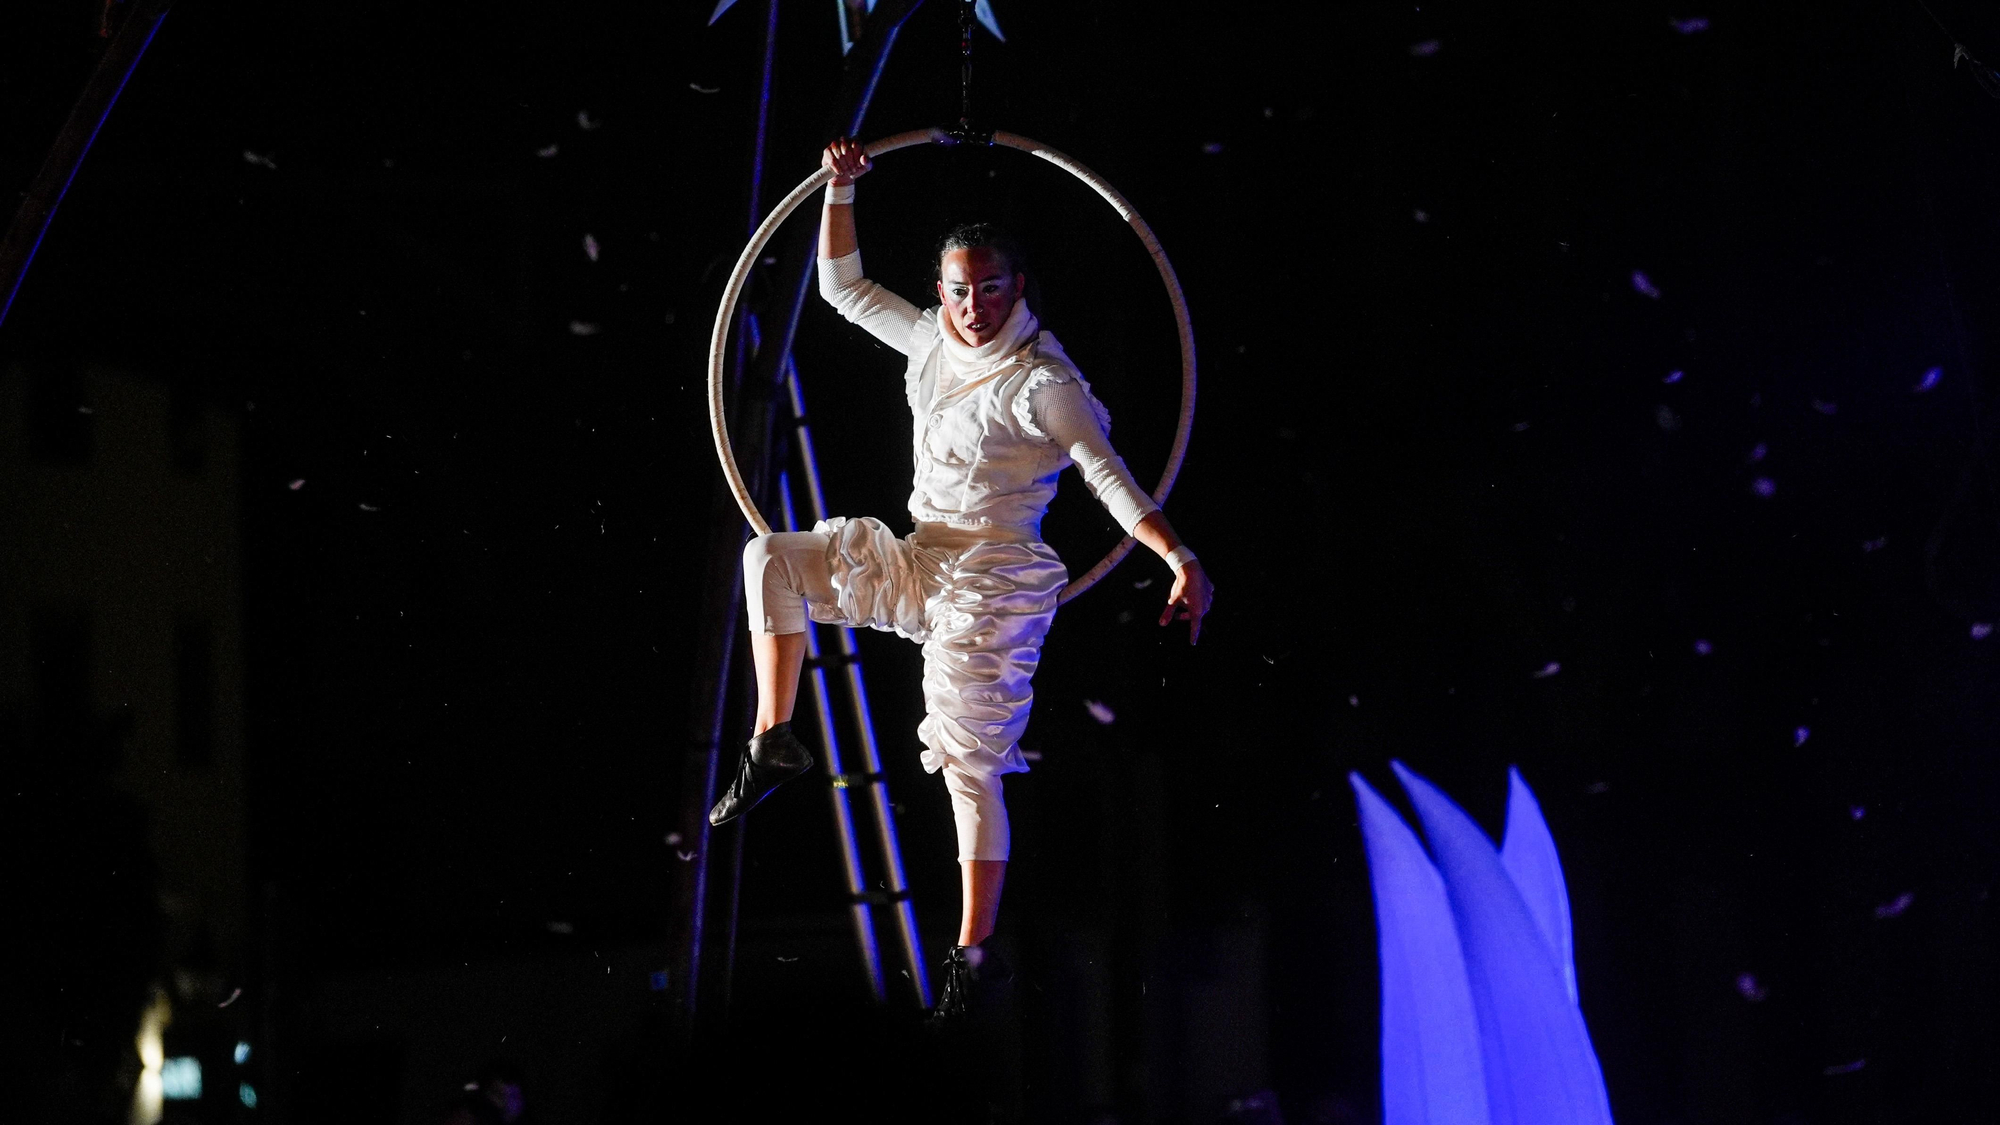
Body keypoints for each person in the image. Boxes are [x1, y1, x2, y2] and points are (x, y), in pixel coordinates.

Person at [709, 136, 1214, 1020]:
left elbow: (1106, 474)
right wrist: (838, 191)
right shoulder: (930, 344)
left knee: (967, 765)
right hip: (921, 555)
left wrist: (1177, 555)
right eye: (957, 289)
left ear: (1019, 288)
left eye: (989, 289)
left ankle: (972, 952)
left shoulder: (1042, 381)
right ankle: (773, 738)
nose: (971, 307)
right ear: (940, 289)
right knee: (769, 561)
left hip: (996, 576)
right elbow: (842, 289)